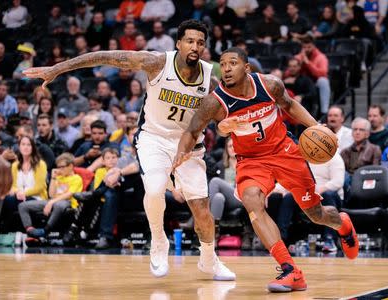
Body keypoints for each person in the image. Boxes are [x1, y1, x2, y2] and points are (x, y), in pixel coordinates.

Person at [23, 19, 235, 281]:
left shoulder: (210, 80)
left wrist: (228, 126)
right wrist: (59, 68)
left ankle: (208, 260)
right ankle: (158, 241)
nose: (195, 46)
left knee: (202, 207)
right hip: (153, 138)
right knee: (155, 188)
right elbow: (105, 57)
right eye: (190, 41)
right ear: (178, 43)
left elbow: (223, 123)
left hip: (189, 144)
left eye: (200, 42)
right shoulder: (156, 63)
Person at [173, 47, 359, 293]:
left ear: (247, 68)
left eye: (233, 63)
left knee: (315, 214)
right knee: (251, 201)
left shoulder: (270, 85)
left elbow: (290, 106)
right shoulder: (214, 103)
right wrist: (181, 153)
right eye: (223, 64)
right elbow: (192, 131)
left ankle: (342, 224)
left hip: (285, 152)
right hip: (251, 161)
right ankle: (291, 270)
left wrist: (316, 127)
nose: (226, 68)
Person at [19, 153, 83, 238]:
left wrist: (51, 202)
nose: (60, 169)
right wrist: (53, 178)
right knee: (23, 206)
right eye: (58, 167)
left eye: (62, 167)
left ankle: (45, 230)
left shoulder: (77, 178)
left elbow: (69, 195)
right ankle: (30, 230)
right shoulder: (59, 177)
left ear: (71, 166)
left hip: (69, 203)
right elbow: (51, 195)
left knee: (59, 204)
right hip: (54, 201)